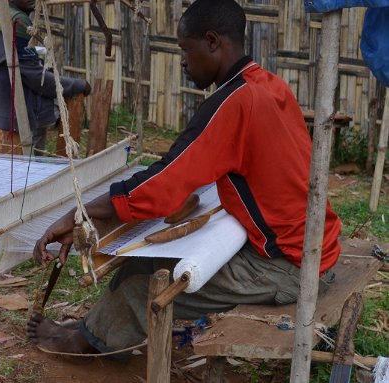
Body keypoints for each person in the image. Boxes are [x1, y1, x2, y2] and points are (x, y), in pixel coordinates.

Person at [28, 0, 341, 358]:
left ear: (212, 42)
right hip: (314, 245)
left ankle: (85, 344)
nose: (181, 61)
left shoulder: (234, 103)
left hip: (288, 267)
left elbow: (165, 182)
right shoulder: (270, 85)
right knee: (151, 258)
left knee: (141, 281)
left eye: (184, 49)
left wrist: (78, 214)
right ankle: (95, 329)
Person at [0, 0, 90, 155]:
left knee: (15, 170)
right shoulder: (18, 21)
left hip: (6, 109)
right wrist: (77, 85)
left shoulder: (5, 17)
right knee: (27, 169)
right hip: (19, 115)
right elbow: (36, 78)